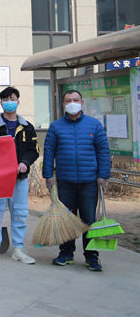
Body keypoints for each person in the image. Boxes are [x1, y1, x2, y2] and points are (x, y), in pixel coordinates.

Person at [43, 89, 110, 272]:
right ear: (63, 104)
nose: (72, 103)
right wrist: (48, 176)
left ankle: (92, 256)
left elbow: (103, 151)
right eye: (68, 100)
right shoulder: (56, 127)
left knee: (89, 220)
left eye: (76, 99)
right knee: (67, 219)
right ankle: (66, 253)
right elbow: (49, 152)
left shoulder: (94, 125)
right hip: (65, 182)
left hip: (89, 182)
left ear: (82, 103)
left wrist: (103, 175)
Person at [0, 87, 39, 265]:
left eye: (12, 99)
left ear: (18, 101)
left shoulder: (27, 127)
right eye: (5, 99)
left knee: (20, 213)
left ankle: (18, 249)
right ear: (0, 103)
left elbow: (34, 150)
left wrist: (25, 163)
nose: (9, 102)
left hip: (19, 179)